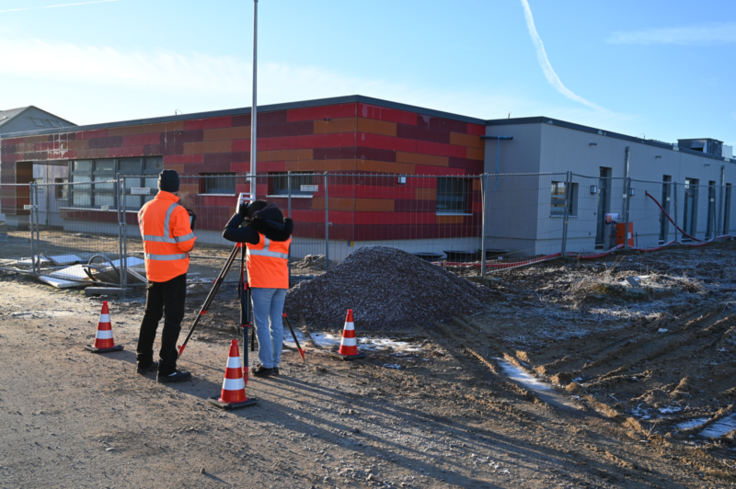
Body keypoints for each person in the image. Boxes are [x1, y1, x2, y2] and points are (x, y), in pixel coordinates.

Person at [136, 169, 197, 383]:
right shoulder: (177, 211)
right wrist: (191, 231)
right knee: (173, 319)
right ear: (176, 186)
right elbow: (186, 244)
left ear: (159, 185)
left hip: (153, 270)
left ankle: (143, 360)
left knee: (150, 316)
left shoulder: (145, 208)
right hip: (174, 273)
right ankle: (167, 368)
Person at [223, 200, 293, 378]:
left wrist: (239, 215)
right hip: (281, 283)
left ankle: (267, 365)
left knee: (261, 324)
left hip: (263, 283)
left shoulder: (256, 233)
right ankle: (274, 364)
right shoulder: (286, 233)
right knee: (276, 324)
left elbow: (227, 232)